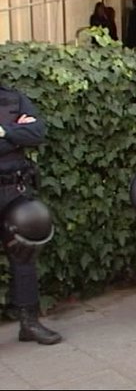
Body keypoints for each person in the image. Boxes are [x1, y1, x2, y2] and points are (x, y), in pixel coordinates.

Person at [0, 85, 61, 345]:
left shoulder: (12, 97)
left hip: (14, 189)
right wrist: (16, 134)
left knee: (24, 254)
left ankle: (29, 323)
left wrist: (4, 131)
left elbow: (37, 132)